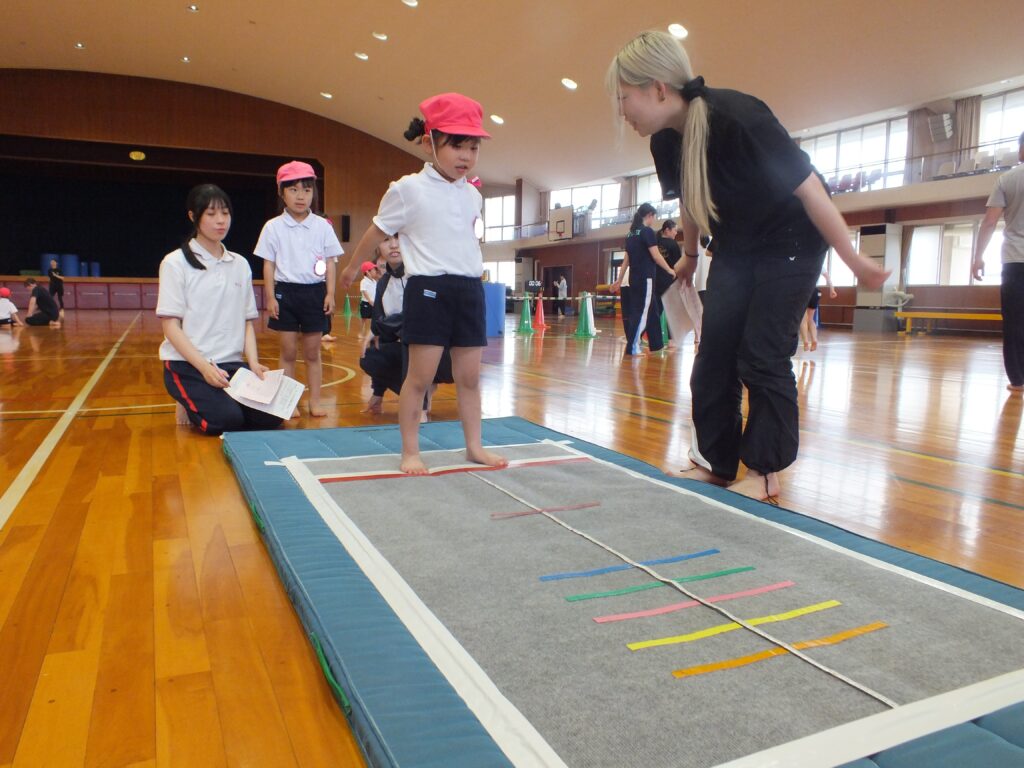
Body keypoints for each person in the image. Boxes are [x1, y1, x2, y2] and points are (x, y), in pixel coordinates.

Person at [608, 30, 889, 502]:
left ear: (657, 88)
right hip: (737, 244)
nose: (622, 111)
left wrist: (852, 258)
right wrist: (690, 256)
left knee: (762, 353)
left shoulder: (739, 118)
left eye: (624, 98)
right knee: (714, 353)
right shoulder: (665, 142)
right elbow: (692, 198)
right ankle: (715, 464)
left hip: (792, 240)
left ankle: (764, 470)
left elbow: (810, 189)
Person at [340, 91, 508, 475]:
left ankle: (474, 446)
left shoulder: (473, 195)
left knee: (469, 378)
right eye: (456, 146)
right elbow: (376, 231)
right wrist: (351, 268)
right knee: (419, 377)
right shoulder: (407, 189)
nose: (465, 156)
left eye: (473, 147)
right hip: (429, 290)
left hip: (469, 290)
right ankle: (410, 451)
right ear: (429, 142)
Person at [157, 184, 283, 435]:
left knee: (271, 417)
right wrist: (204, 368)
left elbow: (247, 321)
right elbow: (170, 326)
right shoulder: (175, 263)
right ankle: (187, 400)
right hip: (188, 366)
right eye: (211, 214)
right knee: (227, 421)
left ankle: (210, 400)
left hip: (231, 365)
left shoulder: (240, 264)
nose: (220, 220)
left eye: (225, 213)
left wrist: (254, 363)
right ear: (193, 216)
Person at [255, 161, 344, 417]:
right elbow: (269, 264)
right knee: (288, 351)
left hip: (314, 293)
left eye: (306, 189)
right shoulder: (273, 227)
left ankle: (315, 401)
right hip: (285, 293)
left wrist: (330, 294)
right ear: (281, 192)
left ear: (313, 192)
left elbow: (331, 263)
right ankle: (288, 402)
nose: (301, 196)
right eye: (293, 190)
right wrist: (271, 296)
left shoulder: (322, 226)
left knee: (313, 353)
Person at [360, 237, 453, 418]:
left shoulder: (424, 276)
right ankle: (419, 392)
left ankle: (419, 406)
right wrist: (378, 392)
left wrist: (390, 325)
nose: (394, 245)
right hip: (408, 349)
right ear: (378, 246)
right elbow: (379, 330)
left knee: (411, 338)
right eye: (386, 240)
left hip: (444, 355)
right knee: (370, 354)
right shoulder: (383, 283)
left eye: (399, 238)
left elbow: (421, 319)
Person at [973, 130, 1024, 394]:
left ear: (1022, 150)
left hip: (1015, 261)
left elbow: (990, 222)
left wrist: (978, 256)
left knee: (1014, 321)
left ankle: (1018, 380)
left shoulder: (1007, 179)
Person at [611, 202, 676, 356]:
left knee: (653, 310)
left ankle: (657, 345)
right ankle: (632, 347)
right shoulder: (647, 232)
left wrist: (619, 279)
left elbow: (626, 260)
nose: (654, 220)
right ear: (649, 215)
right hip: (646, 278)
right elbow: (656, 256)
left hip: (634, 279)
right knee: (642, 313)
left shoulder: (630, 234)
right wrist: (669, 270)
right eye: (654, 217)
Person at [799, 271, 837, 352]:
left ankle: (806, 342)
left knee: (803, 319)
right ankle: (814, 339)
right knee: (810, 319)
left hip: (803, 291)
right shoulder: (820, 264)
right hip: (815, 291)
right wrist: (832, 290)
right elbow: (828, 277)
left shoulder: (800, 264)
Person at [359, 260, 381, 335]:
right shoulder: (364, 281)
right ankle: (361, 332)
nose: (375, 271)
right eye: (373, 270)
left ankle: (370, 333)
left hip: (373, 303)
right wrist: (369, 300)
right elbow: (364, 291)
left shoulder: (374, 281)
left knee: (372, 319)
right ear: (368, 272)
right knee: (364, 318)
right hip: (366, 303)